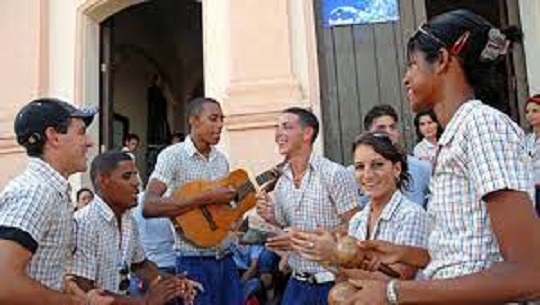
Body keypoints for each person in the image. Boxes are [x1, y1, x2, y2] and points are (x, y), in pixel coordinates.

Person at [344, 9, 540, 304]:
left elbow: (529, 274)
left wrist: (394, 292)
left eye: (413, 64)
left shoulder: (481, 125)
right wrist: (404, 253)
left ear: (443, 60)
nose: (406, 77)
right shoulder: (456, 135)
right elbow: (468, 256)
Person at [0, 98, 112, 304]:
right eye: (80, 132)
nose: (89, 142)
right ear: (53, 137)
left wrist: (83, 299)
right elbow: (3, 283)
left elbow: (48, 271)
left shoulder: (52, 192)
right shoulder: (36, 192)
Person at [143, 97, 242, 305]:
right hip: (193, 262)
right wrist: (204, 197)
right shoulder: (172, 156)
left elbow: (220, 209)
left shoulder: (221, 160)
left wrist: (236, 213)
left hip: (226, 259)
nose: (220, 125)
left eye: (221, 119)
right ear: (194, 121)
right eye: (213, 119)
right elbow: (149, 205)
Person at [256, 107, 360, 305]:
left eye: (286, 127)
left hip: (333, 284)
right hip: (295, 284)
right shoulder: (280, 180)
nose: (278, 134)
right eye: (277, 128)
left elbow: (357, 227)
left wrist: (301, 237)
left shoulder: (334, 174)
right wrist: (270, 218)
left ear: (307, 133)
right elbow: (284, 229)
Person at [292, 132, 429, 281]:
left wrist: (334, 255)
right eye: (360, 167)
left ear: (396, 169)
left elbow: (398, 280)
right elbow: (348, 277)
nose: (367, 175)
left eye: (377, 165)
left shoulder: (411, 214)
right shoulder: (359, 219)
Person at [67, 151, 197, 305]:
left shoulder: (129, 219)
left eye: (136, 175)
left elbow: (140, 264)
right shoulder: (84, 223)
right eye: (127, 176)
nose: (137, 183)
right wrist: (144, 302)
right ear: (103, 181)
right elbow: (85, 288)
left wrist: (174, 284)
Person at [363, 105, 432, 208]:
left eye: (392, 127)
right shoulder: (359, 174)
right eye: (381, 128)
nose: (389, 132)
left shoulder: (422, 169)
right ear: (368, 134)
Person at [524, 94, 540, 216]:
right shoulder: (527, 139)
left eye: (535, 111)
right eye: (527, 111)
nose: (530, 115)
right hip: (531, 189)